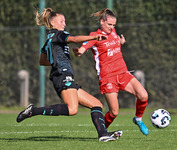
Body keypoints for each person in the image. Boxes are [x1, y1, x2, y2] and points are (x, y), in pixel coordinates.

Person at [16, 8, 123, 142]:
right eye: (61, 21)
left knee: (97, 104)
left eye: (65, 21)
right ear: (52, 23)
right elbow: (74, 39)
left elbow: (42, 61)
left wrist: (56, 62)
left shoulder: (49, 39)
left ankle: (103, 134)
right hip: (62, 75)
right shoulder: (58, 34)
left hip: (61, 75)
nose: (64, 24)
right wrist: (94, 37)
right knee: (72, 109)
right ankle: (34, 111)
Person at [73, 8, 149, 135]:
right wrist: (78, 52)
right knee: (114, 112)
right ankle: (103, 131)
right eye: (109, 24)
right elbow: (83, 48)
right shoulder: (95, 36)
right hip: (108, 77)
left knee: (143, 95)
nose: (112, 27)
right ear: (102, 22)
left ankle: (138, 119)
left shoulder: (113, 31)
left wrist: (120, 42)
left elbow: (113, 42)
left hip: (123, 73)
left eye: (114, 25)